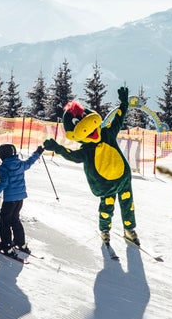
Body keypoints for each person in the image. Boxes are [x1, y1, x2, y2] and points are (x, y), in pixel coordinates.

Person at [43, 86, 139, 246]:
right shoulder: (86, 149)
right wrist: (57, 147)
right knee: (107, 207)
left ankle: (129, 229)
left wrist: (124, 104)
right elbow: (71, 155)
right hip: (106, 185)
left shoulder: (107, 134)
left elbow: (118, 119)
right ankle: (105, 230)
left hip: (123, 180)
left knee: (128, 204)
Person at [0, 143, 44, 254]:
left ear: (3, 155)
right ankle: (21, 243)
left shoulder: (4, 167)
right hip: (20, 199)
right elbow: (30, 162)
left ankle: (6, 246)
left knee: (5, 222)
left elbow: (4, 182)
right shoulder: (20, 164)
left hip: (10, 200)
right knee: (15, 220)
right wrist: (38, 153)